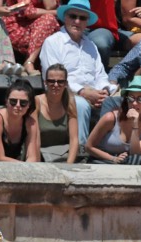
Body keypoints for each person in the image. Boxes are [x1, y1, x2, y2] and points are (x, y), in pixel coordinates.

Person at [38, 0, 116, 144]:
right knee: (80, 104)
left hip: (93, 94)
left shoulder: (91, 45)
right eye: (73, 16)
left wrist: (104, 91)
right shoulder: (53, 42)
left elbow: (100, 75)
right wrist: (82, 92)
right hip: (63, 94)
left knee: (118, 101)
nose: (77, 21)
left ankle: (111, 150)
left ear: (87, 22)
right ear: (65, 18)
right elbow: (54, 78)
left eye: (82, 18)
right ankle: (80, 151)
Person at [86, 75, 141, 164]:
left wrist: (134, 125)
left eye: (140, 99)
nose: (134, 103)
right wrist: (113, 159)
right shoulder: (110, 118)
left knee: (136, 159)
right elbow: (89, 147)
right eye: (131, 98)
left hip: (126, 162)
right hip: (102, 161)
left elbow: (136, 153)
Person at [1, 0, 61, 77]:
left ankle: (31, 62)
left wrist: (52, 11)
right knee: (49, 18)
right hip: (17, 27)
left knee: (51, 22)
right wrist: (56, 12)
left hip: (38, 28)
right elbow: (29, 12)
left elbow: (50, 6)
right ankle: (29, 63)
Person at [36, 63, 80, 162]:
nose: (56, 85)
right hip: (40, 156)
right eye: (51, 81)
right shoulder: (37, 102)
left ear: (66, 84)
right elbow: (34, 137)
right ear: (45, 82)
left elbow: (74, 139)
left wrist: (69, 165)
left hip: (62, 157)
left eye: (60, 82)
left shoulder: (70, 102)